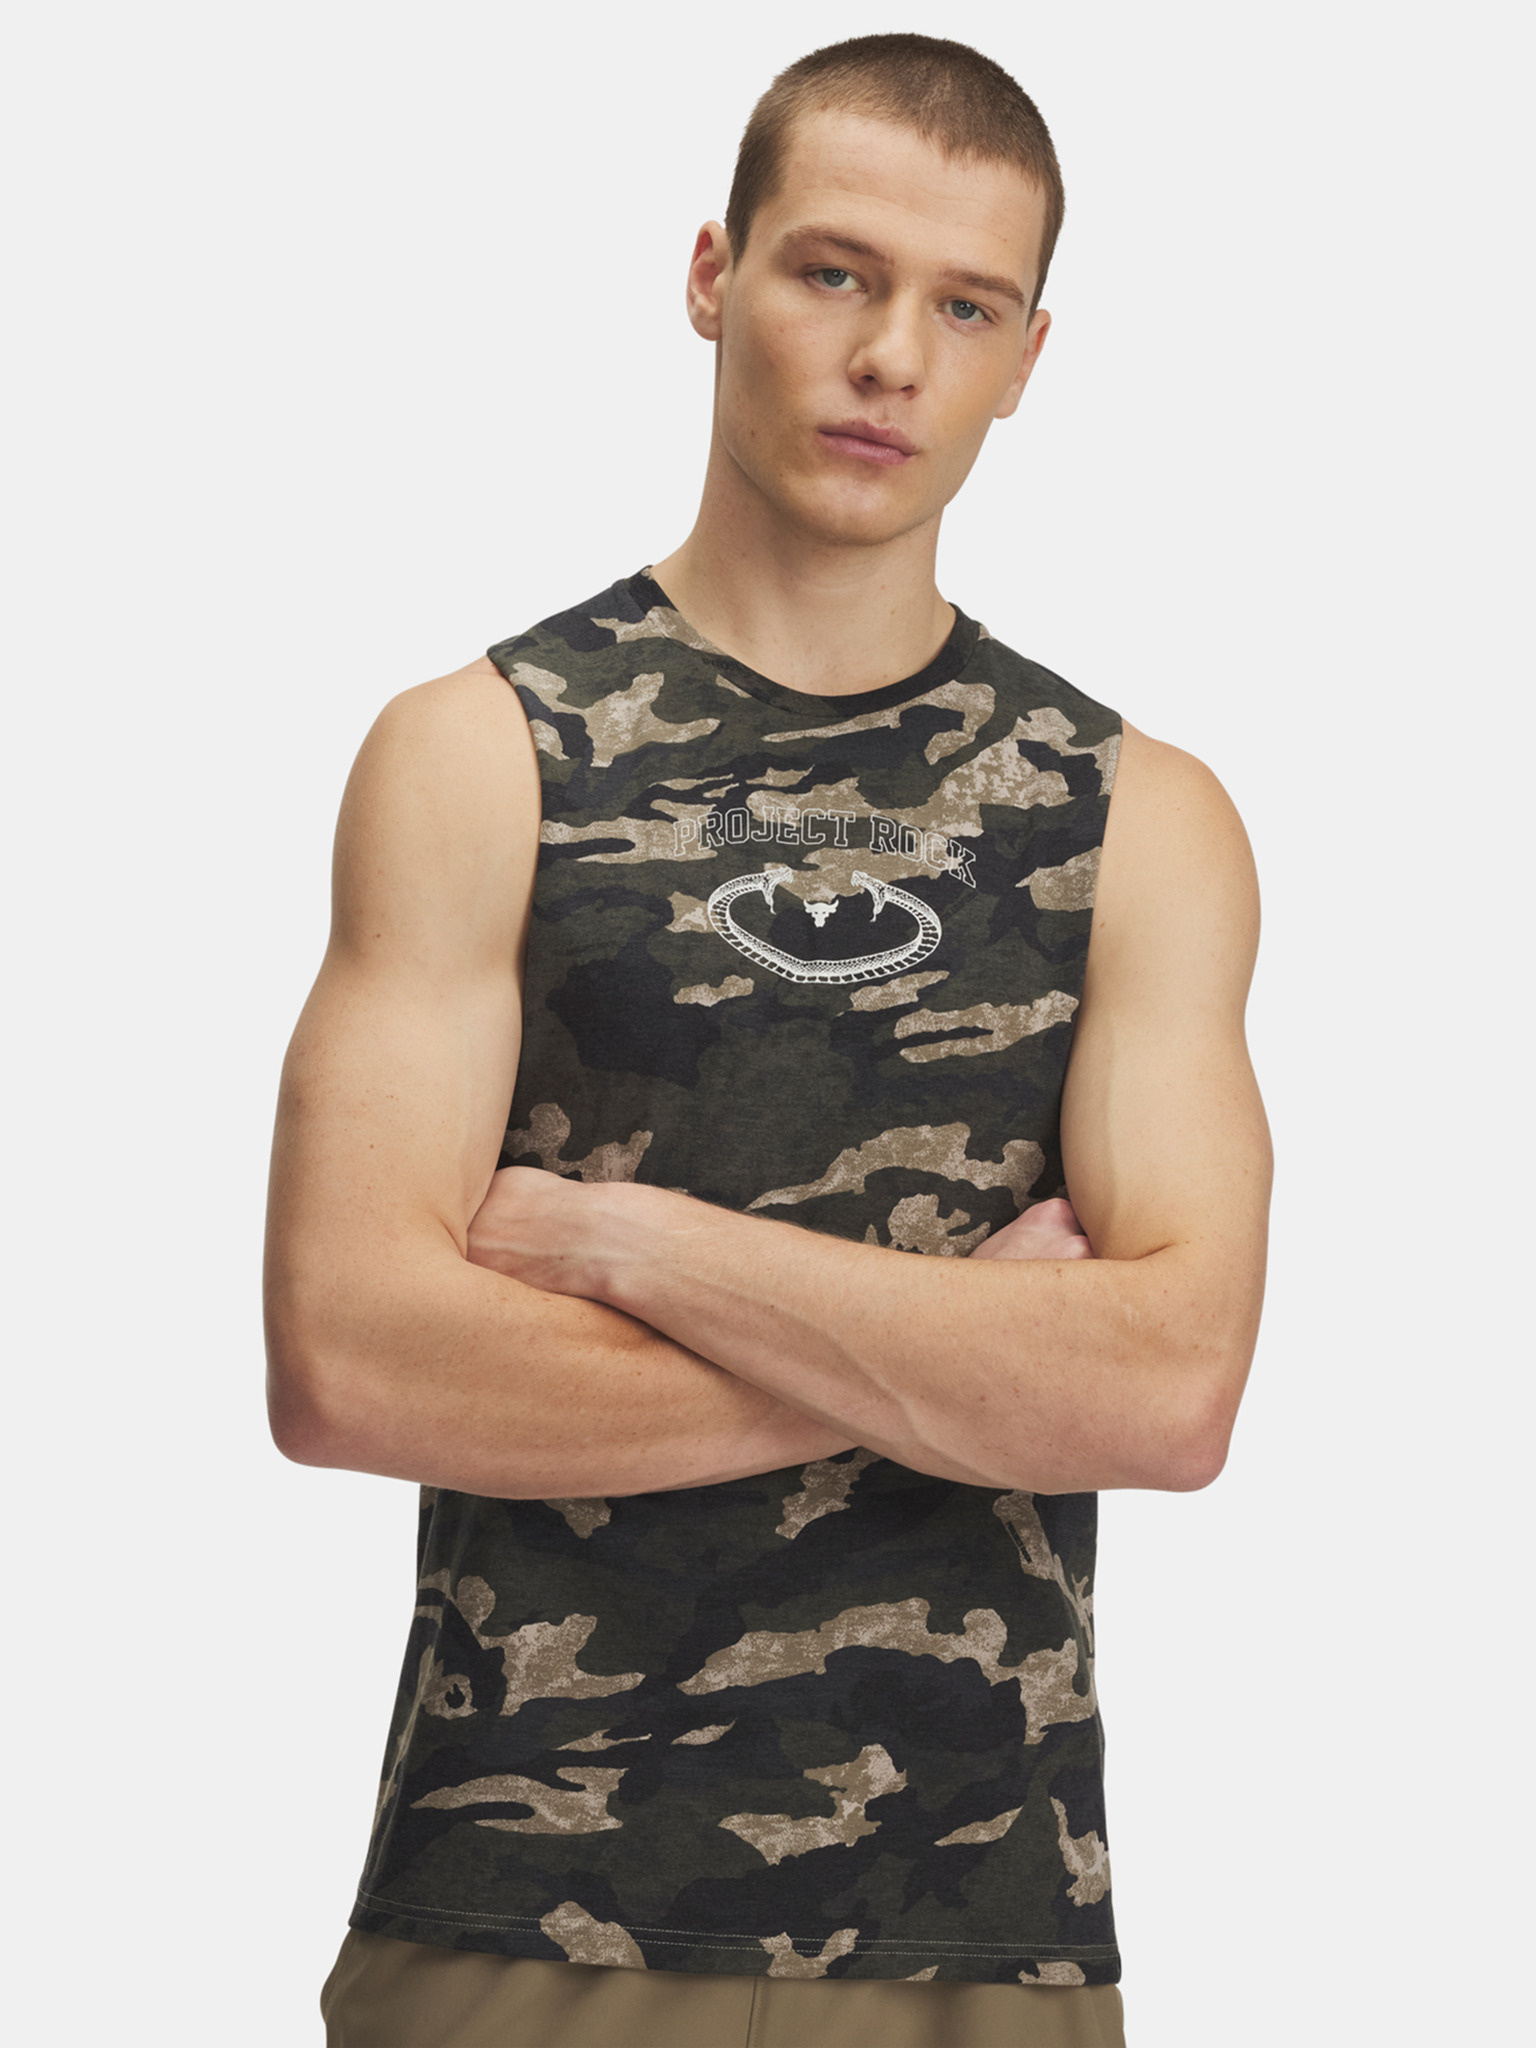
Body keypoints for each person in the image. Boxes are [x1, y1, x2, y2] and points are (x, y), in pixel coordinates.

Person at [265, 32, 1270, 2048]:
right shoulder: (483, 756)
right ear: (713, 274)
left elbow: (1166, 1396)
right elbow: (350, 1362)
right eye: (834, 271)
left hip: (979, 1932)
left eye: (963, 305)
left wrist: (629, 1245)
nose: (890, 355)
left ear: (1027, 358)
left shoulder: (1133, 818)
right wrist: (975, 1357)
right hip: (516, 1919)